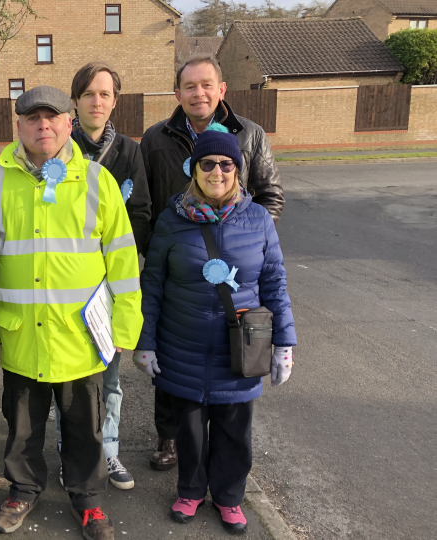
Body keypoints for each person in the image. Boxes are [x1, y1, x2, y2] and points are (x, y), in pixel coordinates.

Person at [0, 86, 142, 540]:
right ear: (19, 126)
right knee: (22, 429)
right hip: (22, 336)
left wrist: (126, 325)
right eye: (32, 118)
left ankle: (87, 500)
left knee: (84, 428)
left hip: (82, 338)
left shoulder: (96, 180)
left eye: (52, 117)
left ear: (69, 123)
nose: (42, 125)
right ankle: (23, 490)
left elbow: (123, 259)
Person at [134, 124, 296, 534]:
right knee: (189, 431)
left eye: (226, 164)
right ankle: (190, 490)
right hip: (182, 347)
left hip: (239, 351)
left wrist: (284, 343)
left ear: (238, 170)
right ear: (195, 169)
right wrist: (146, 342)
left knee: (234, 432)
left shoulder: (258, 219)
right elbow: (152, 283)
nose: (217, 171)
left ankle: (229, 497)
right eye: (208, 163)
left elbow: (275, 281)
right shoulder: (172, 218)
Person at [139, 53, 285, 473]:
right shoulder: (156, 138)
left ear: (222, 90)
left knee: (230, 359)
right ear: (178, 93)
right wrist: (164, 251)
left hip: (237, 272)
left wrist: (247, 241)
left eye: (207, 84)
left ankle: (224, 458)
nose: (198, 93)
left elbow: (270, 194)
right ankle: (169, 438)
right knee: (171, 354)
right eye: (190, 86)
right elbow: (144, 205)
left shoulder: (250, 135)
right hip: (178, 265)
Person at [50, 61, 151, 491]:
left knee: (109, 377)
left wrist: (117, 264)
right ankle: (67, 451)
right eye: (89, 93)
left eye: (105, 94)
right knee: (67, 378)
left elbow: (142, 213)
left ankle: (108, 450)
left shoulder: (129, 152)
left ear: (114, 102)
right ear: (75, 101)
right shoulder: (56, 146)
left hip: (110, 288)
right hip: (67, 286)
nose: (97, 101)